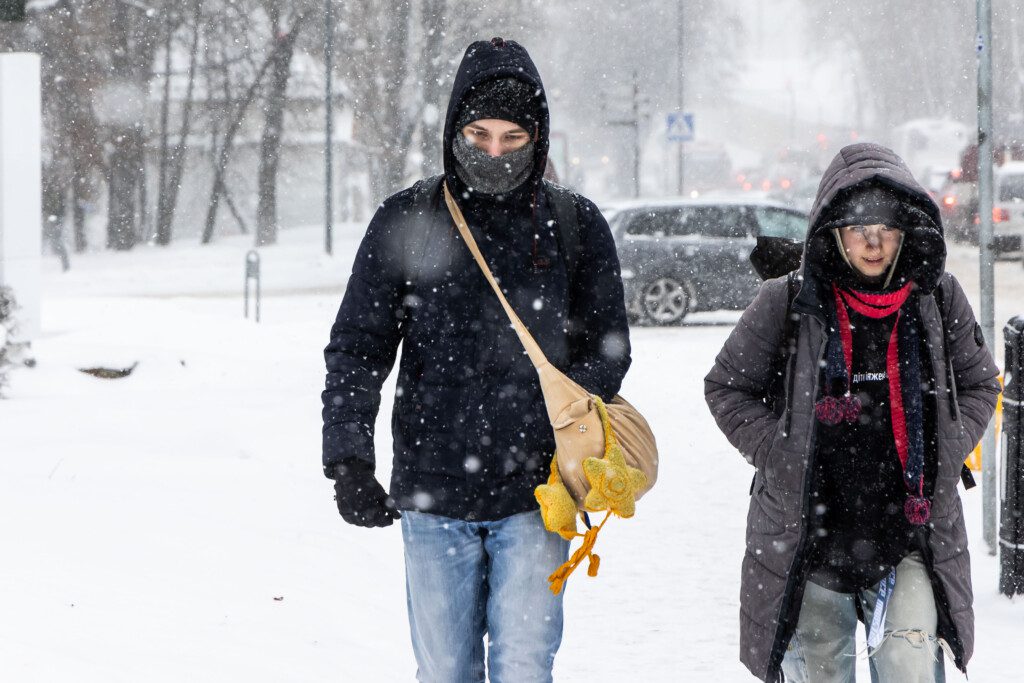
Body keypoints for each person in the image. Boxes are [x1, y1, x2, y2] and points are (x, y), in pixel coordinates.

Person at [321, 37, 630, 682]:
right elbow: (357, 347)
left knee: (524, 669)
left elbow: (609, 345)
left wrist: (566, 426)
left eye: (513, 137)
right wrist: (347, 457)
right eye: (480, 133)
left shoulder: (575, 225)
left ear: (538, 136)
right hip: (434, 495)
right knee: (445, 674)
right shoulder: (407, 220)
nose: (494, 152)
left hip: (538, 496)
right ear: (454, 128)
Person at [705, 142, 1000, 682]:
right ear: (832, 230)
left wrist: (947, 448)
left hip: (910, 534)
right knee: (821, 673)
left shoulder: (935, 298)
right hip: (809, 538)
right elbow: (727, 388)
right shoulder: (788, 301)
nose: (872, 241)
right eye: (857, 227)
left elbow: (982, 382)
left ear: (906, 230)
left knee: (911, 669)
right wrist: (780, 452)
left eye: (886, 228)